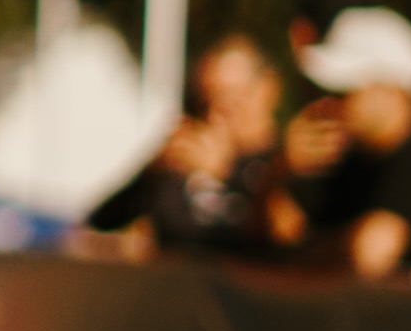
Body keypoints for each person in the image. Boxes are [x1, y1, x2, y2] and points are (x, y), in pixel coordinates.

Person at [277, 4, 411, 278]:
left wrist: (307, 253)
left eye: (346, 89)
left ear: (393, 89)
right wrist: (280, 171)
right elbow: (281, 232)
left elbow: (368, 253)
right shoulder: (345, 160)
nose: (332, 101)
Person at [86, 32, 285, 256]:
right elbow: (101, 221)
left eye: (231, 97)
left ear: (267, 88)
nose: (215, 112)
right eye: (206, 100)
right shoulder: (185, 165)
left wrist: (227, 173)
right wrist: (154, 169)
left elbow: (282, 239)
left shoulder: (285, 164)